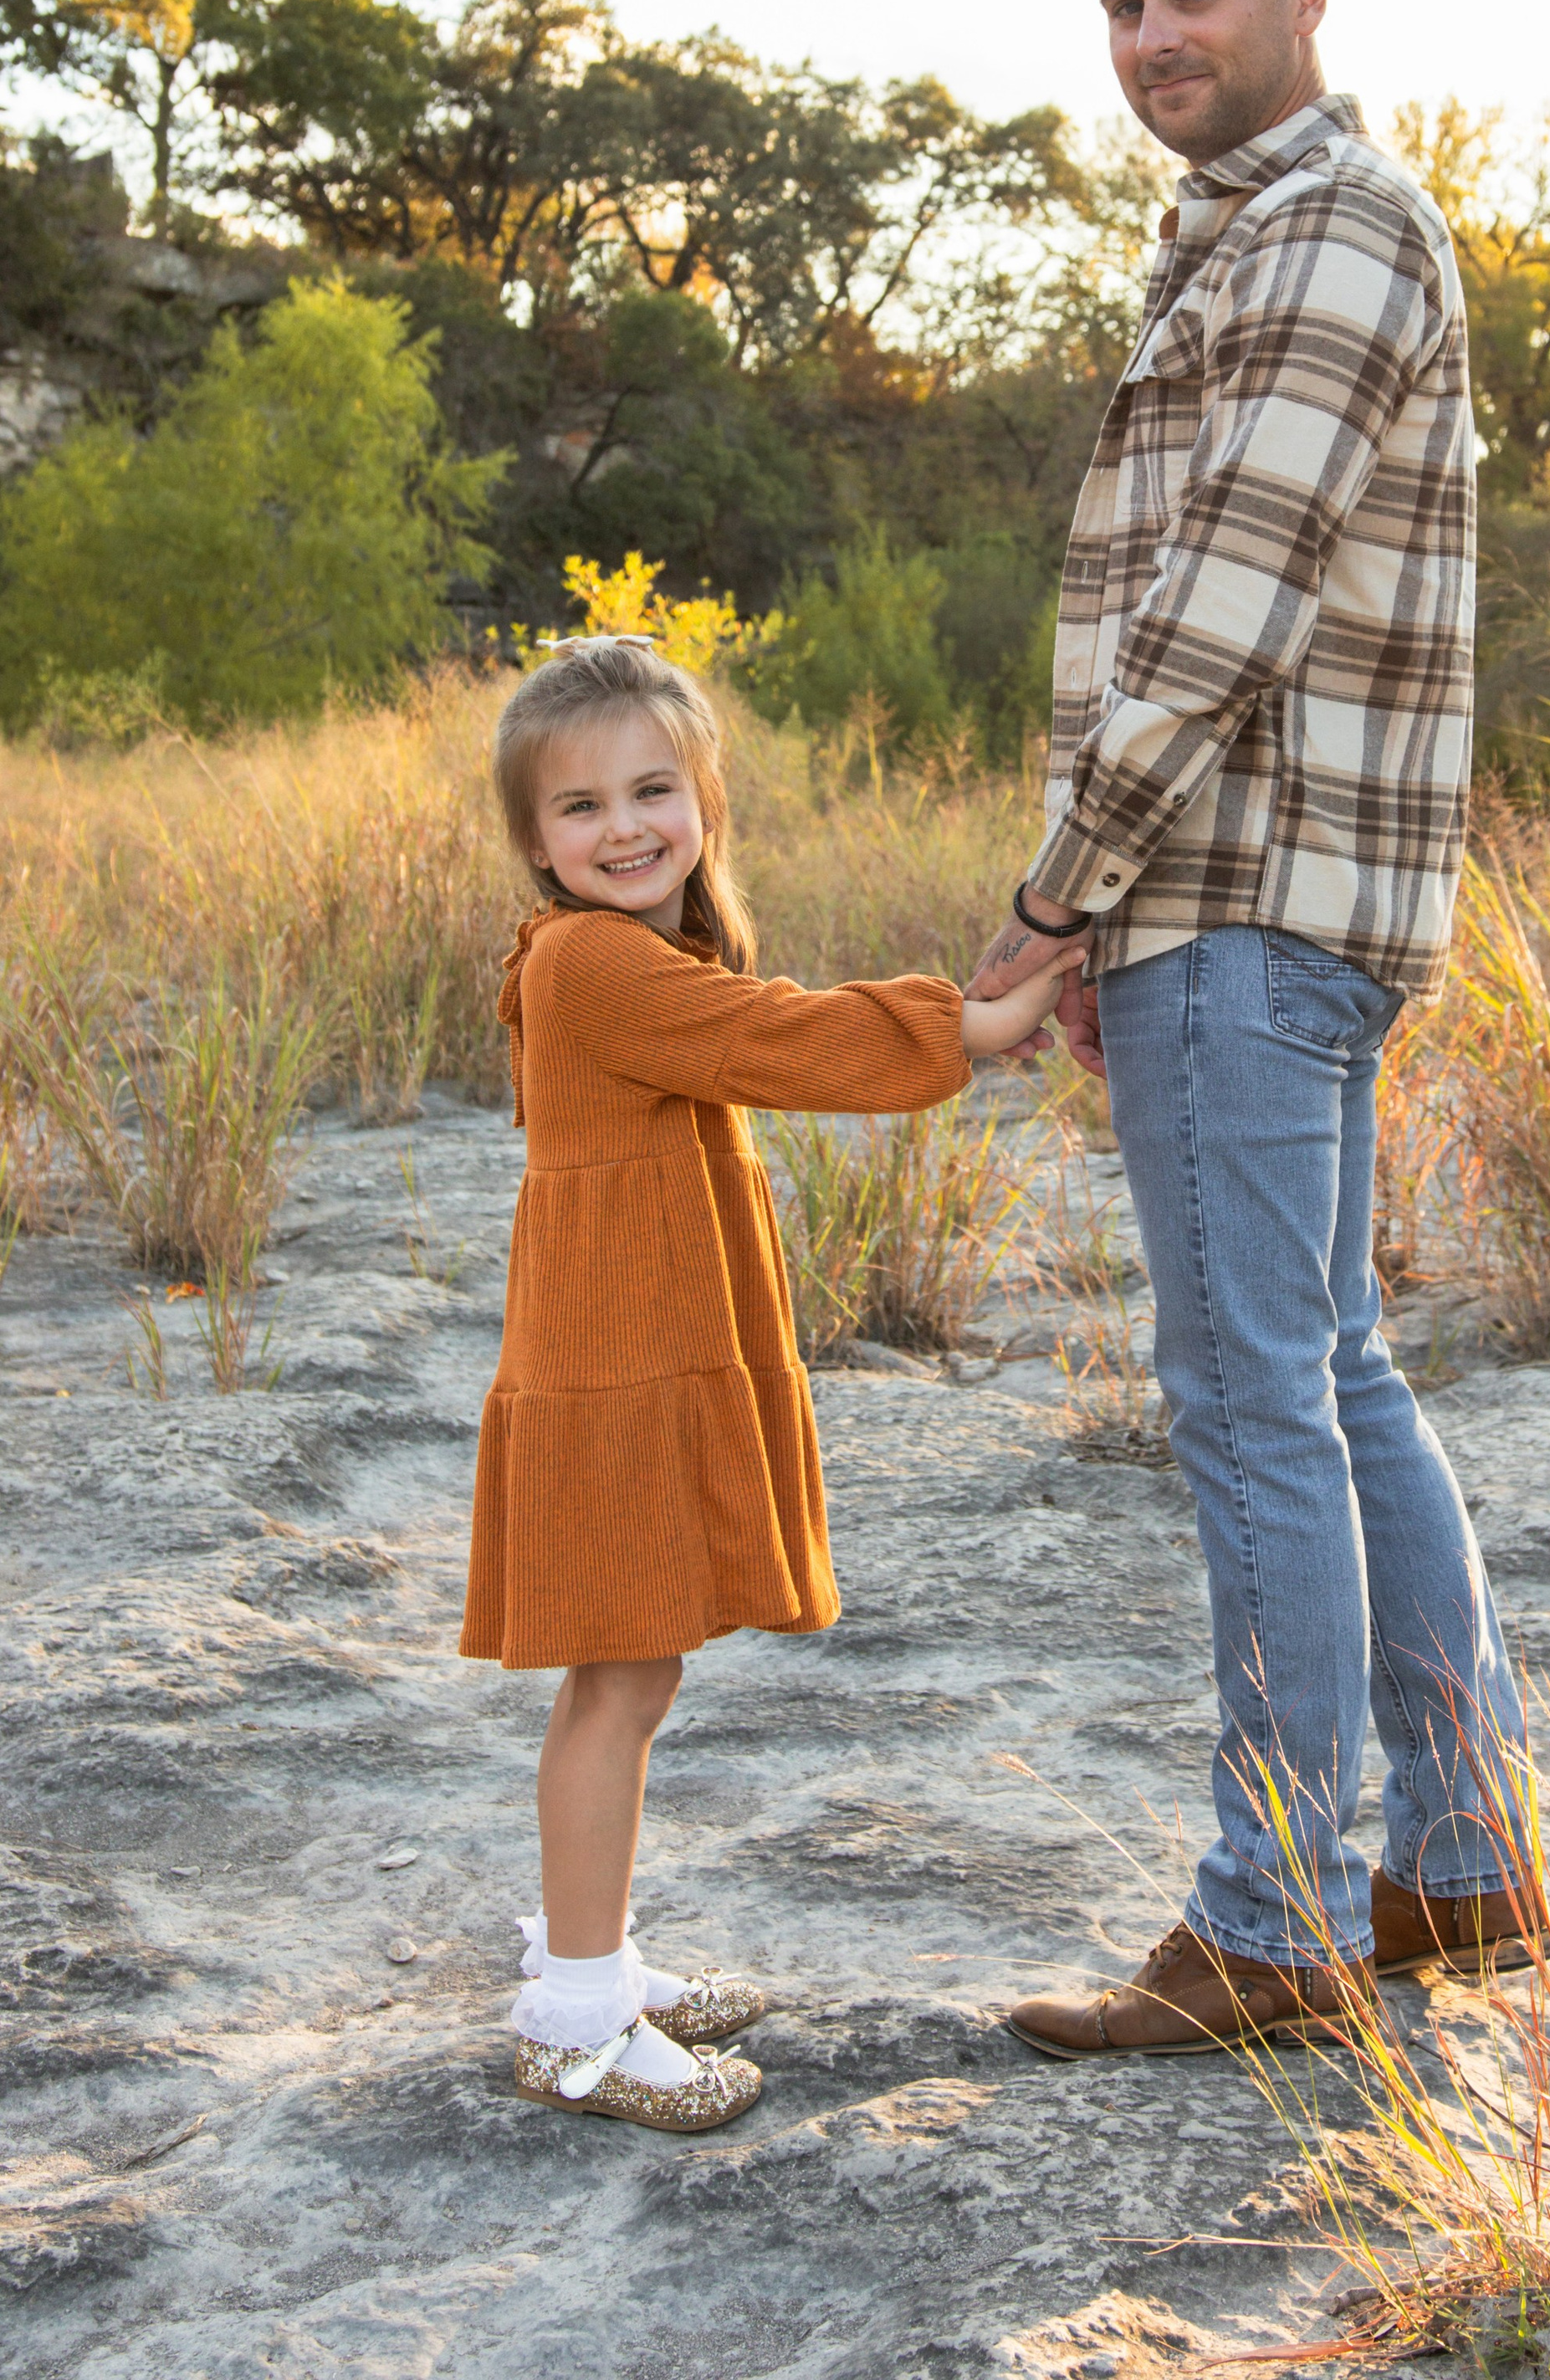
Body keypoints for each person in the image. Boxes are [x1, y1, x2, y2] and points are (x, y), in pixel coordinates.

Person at [971, 0, 1542, 2060]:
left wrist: (1057, 902)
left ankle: (1276, 1922)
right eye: (1121, 7)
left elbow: (1214, 623)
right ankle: (1464, 1869)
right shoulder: (1257, 233)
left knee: (1251, 1407)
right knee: (1333, 1374)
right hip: (1259, 911)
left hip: (1241, 901)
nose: (1152, 40)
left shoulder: (1327, 232)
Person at [461, 634, 1083, 2132]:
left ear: (705, 799)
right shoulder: (593, 961)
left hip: (636, 1358)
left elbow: (750, 1024)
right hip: (613, 1376)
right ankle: (575, 2023)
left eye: (652, 791)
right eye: (580, 807)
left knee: (635, 1674)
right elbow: (780, 1038)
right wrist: (976, 1025)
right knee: (618, 1681)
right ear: (535, 840)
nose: (624, 828)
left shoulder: (642, 954)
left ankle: (594, 1961)